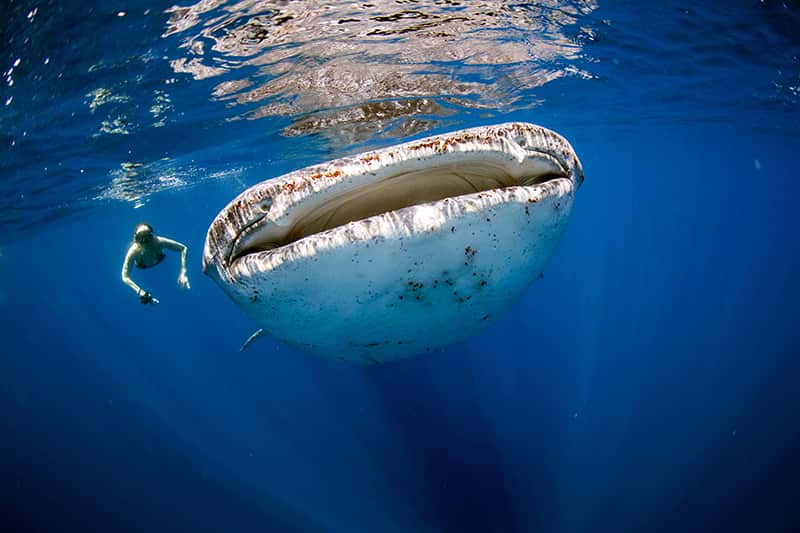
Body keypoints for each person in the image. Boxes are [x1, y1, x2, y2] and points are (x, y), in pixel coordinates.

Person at [121, 223, 190, 305]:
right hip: (146, 273)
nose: (145, 241)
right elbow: (125, 276)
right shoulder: (133, 252)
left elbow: (183, 248)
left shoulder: (158, 241)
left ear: (152, 236)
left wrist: (183, 272)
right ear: (135, 238)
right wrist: (141, 292)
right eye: (141, 237)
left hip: (162, 266)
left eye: (147, 236)